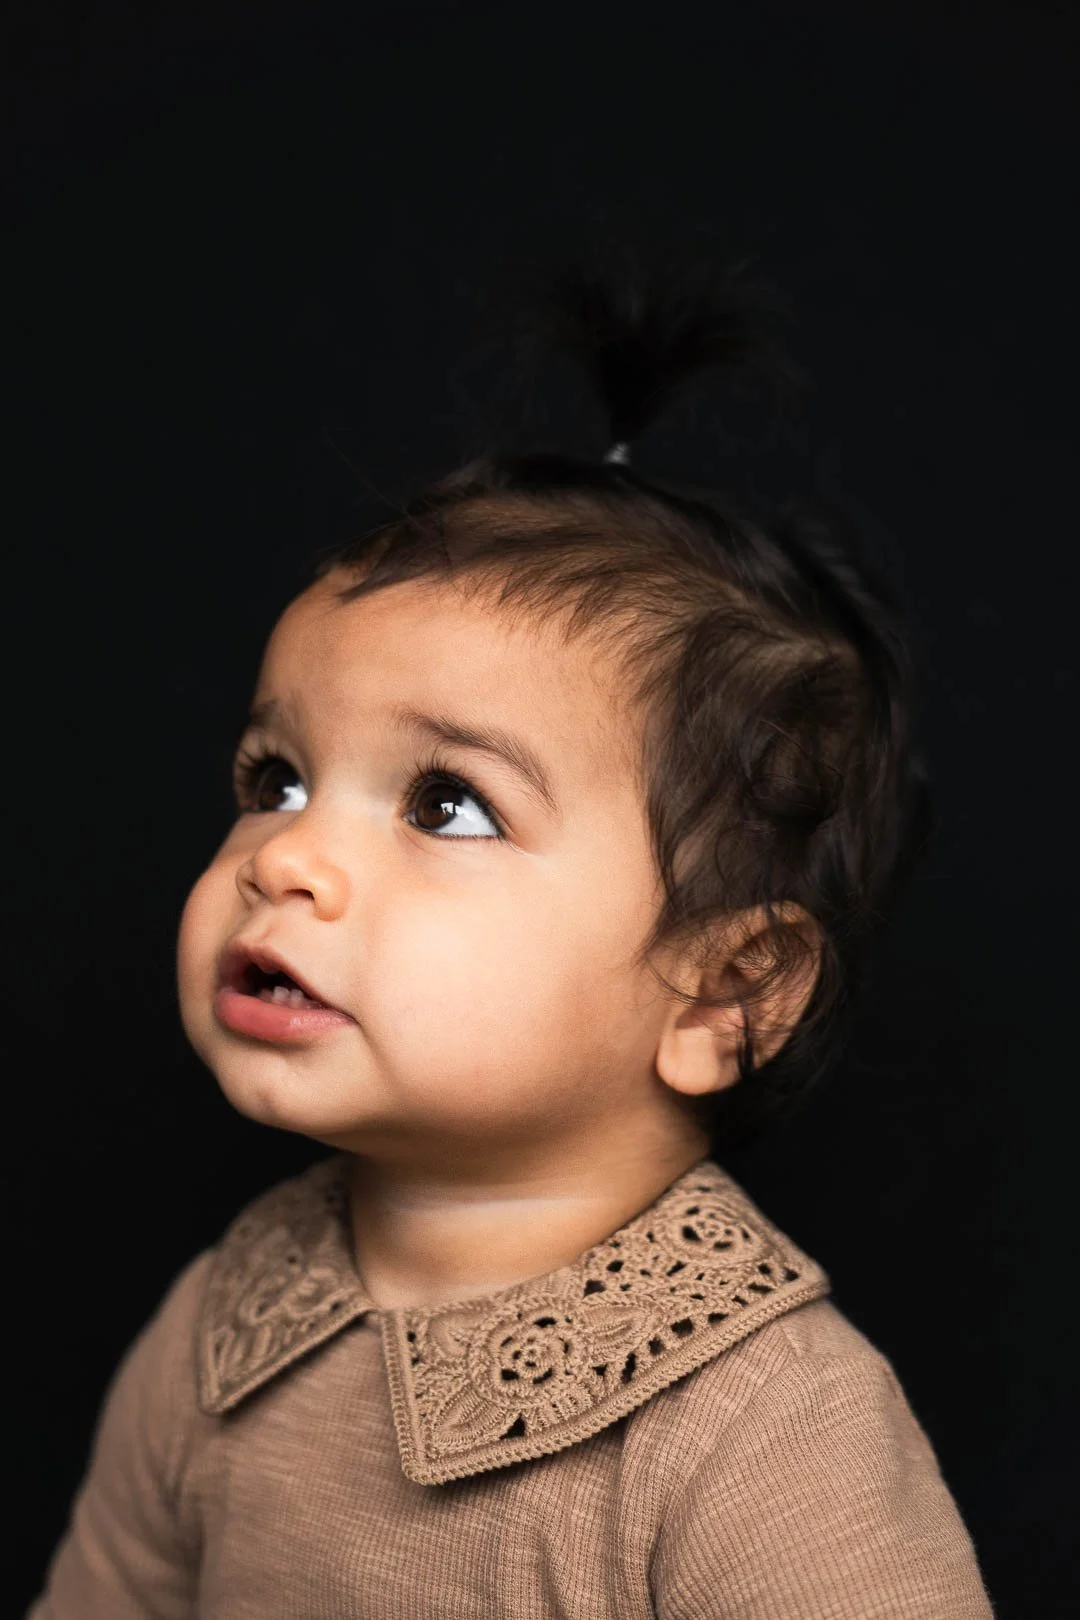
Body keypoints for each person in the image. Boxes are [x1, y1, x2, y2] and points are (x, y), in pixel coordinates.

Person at [27, 255, 996, 1618]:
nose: (286, 860)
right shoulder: (224, 1325)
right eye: (275, 781)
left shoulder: (762, 1429)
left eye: (446, 803)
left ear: (725, 992)